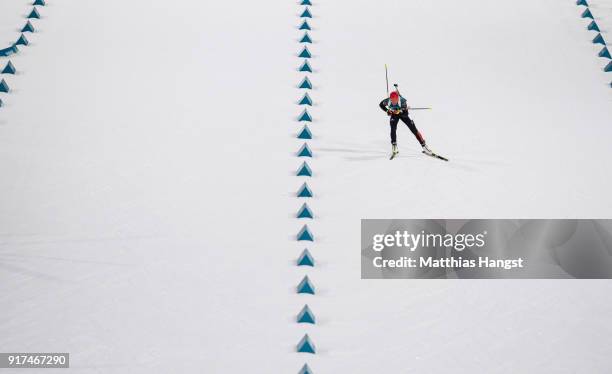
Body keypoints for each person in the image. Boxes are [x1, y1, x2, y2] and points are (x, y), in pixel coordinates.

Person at [379, 91, 432, 157]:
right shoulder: (387, 101)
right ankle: (394, 146)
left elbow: (406, 114)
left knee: (414, 129)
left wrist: (399, 111)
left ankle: (424, 146)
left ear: (398, 98)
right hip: (394, 115)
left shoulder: (403, 101)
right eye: (392, 100)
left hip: (403, 115)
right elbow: (381, 104)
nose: (393, 101)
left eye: (395, 100)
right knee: (393, 128)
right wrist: (387, 111)